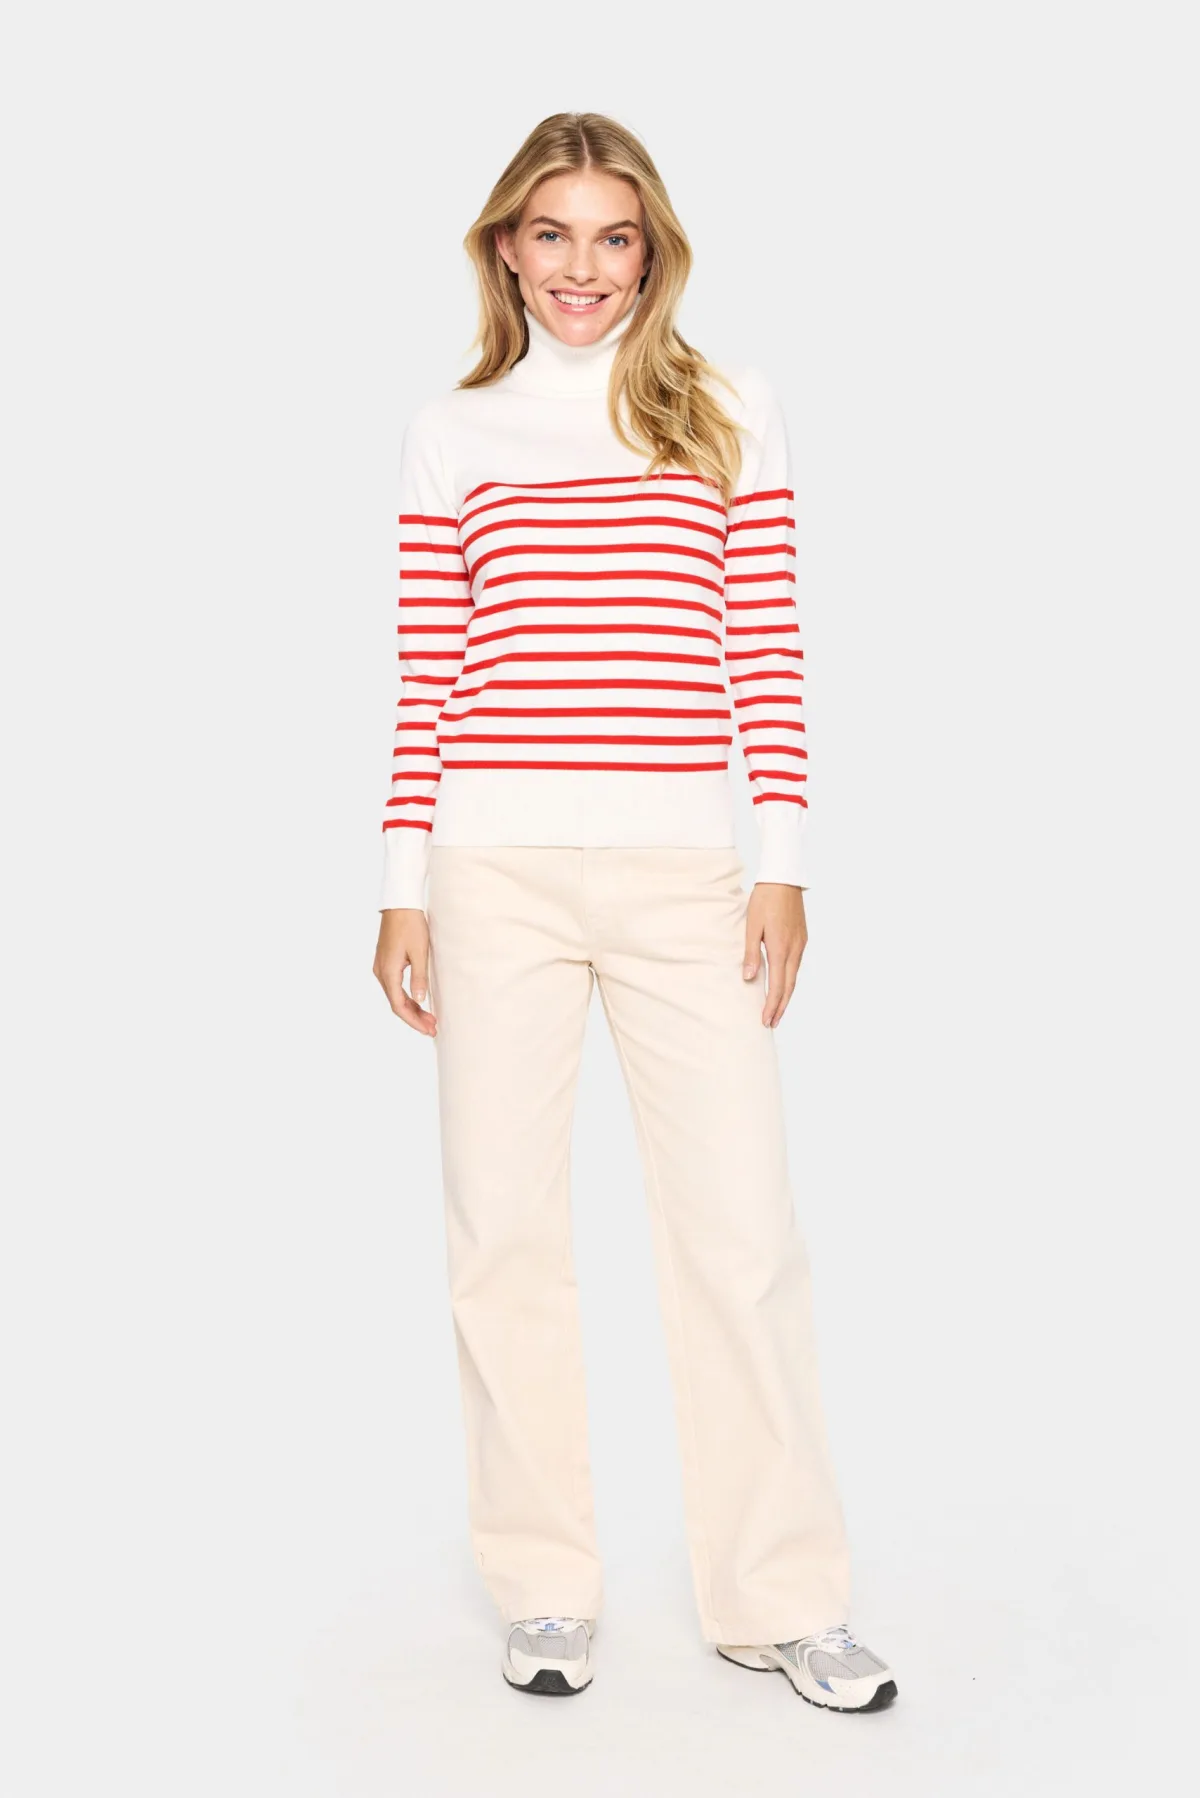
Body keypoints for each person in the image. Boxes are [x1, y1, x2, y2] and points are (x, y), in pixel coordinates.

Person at [372, 111, 897, 1710]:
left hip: (686, 878)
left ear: (652, 250)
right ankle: (545, 1587)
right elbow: (428, 675)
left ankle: (781, 1597)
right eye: (552, 233)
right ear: (506, 247)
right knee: (503, 1234)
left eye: (614, 236)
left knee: (742, 1235)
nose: (582, 267)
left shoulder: (730, 410)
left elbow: (768, 645)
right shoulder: (454, 431)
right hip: (493, 871)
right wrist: (402, 886)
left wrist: (783, 858)